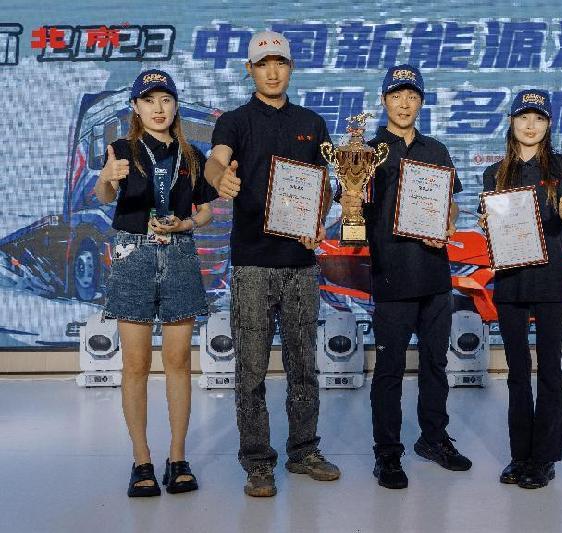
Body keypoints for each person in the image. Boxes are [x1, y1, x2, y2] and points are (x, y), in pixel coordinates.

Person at [204, 31, 338, 498]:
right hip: (252, 264)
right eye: (263, 64)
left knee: (304, 365)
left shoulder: (312, 123)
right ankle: (257, 461)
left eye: (280, 62)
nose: (272, 72)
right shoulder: (234, 122)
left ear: (291, 68)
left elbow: (325, 186)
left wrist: (318, 221)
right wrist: (220, 181)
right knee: (251, 369)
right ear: (250, 70)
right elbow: (215, 162)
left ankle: (304, 450)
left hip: (301, 262)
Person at [339, 65, 471, 490]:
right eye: (396, 95)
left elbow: (451, 202)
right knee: (390, 369)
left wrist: (449, 220)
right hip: (392, 273)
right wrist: (351, 200)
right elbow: (351, 207)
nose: (404, 103)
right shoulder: (366, 151)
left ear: (421, 101)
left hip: (435, 274)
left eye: (412, 95)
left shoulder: (436, 149)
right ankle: (387, 452)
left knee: (435, 363)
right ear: (384, 101)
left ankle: (433, 439)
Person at [95, 69, 217, 497]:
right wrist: (107, 176)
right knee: (135, 364)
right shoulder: (121, 149)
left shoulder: (193, 154)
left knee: (179, 361)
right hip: (134, 255)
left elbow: (206, 210)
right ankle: (141, 460)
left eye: (165, 99)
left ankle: (177, 458)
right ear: (136, 107)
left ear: (175, 105)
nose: (158, 108)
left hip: (180, 254)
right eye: (149, 101)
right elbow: (105, 196)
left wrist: (187, 223)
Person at [478, 89, 562, 489]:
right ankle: (520, 455)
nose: (530, 125)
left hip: (552, 281)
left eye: (539, 118)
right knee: (517, 373)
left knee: (550, 371)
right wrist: (487, 224)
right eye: (523, 117)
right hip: (511, 282)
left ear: (549, 124)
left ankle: (544, 458)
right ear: (511, 122)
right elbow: (492, 225)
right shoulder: (495, 173)